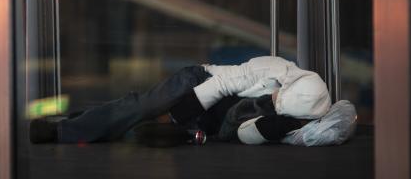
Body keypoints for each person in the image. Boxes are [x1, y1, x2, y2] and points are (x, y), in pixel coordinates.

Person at [29, 55, 332, 145]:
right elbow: (221, 85)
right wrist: (173, 118)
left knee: (134, 132)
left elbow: (337, 123)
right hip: (197, 84)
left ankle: (77, 121)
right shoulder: (274, 68)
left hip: (210, 123)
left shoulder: (312, 106)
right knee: (142, 108)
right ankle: (59, 132)